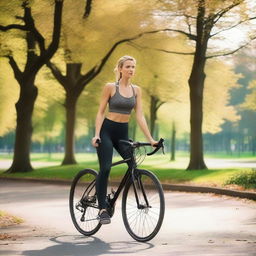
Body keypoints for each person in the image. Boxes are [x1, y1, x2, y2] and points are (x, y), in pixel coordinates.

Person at [91, 55, 158, 225]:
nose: (131, 69)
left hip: (122, 132)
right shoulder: (110, 87)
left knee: (133, 168)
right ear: (120, 69)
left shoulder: (137, 90)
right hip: (107, 131)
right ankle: (102, 209)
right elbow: (100, 112)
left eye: (133, 67)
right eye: (128, 66)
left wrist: (151, 139)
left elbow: (140, 116)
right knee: (105, 168)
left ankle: (113, 198)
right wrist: (97, 134)